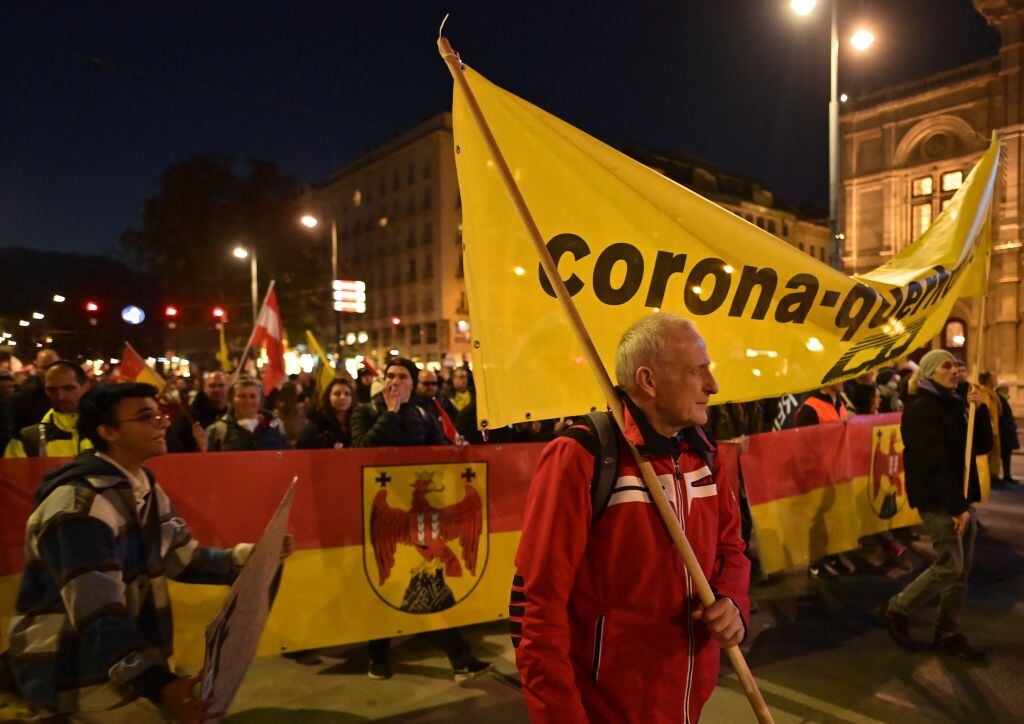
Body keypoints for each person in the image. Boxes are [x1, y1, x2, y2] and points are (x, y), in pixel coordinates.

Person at [511, 313, 749, 722]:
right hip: (604, 711)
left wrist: (732, 603)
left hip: (687, 703)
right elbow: (537, 607)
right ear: (648, 380)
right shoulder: (579, 456)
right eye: (698, 371)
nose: (712, 386)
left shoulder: (704, 452)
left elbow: (731, 550)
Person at [5, 382, 292, 721]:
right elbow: (99, 616)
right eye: (146, 417)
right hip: (75, 676)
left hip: (121, 666)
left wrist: (254, 557)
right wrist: (162, 685)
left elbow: (182, 559)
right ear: (107, 431)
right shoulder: (78, 508)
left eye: (159, 414)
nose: (162, 422)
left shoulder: (142, 484)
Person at [351, 358, 488, 681]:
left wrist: (456, 450)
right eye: (390, 376)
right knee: (386, 586)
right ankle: (378, 656)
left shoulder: (423, 414)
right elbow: (360, 450)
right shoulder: (367, 411)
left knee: (432, 587)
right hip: (380, 512)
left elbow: (438, 448)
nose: (395, 381)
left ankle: (460, 657)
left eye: (402, 377)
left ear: (412, 384)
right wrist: (390, 414)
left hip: (423, 519)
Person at [884, 349, 992, 659]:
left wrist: (980, 410)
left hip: (959, 498)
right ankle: (898, 608)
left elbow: (981, 446)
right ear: (930, 372)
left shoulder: (956, 404)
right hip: (938, 500)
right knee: (951, 565)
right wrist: (957, 507)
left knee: (961, 573)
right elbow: (934, 463)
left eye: (957, 365)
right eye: (947, 365)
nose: (955, 370)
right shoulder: (920, 410)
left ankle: (947, 632)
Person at [5, 360, 91, 458]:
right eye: (52, 389)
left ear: (86, 387)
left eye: (68, 388)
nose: (60, 396)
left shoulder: (106, 431)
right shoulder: (27, 438)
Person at [206, 376, 287, 452]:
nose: (248, 401)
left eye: (253, 396)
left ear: (261, 400)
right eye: (242, 396)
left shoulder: (276, 426)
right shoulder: (217, 430)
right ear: (232, 399)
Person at [165, 371, 230, 453]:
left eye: (221, 385)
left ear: (228, 387)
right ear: (204, 389)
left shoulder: (234, 413)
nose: (217, 389)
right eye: (212, 386)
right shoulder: (189, 416)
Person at [11, 348, 60, 432]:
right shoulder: (24, 396)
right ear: (36, 368)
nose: (50, 371)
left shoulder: (70, 391)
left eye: (54, 365)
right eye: (45, 367)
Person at [297, 377, 354, 449]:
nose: (342, 397)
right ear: (328, 396)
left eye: (347, 394)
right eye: (337, 394)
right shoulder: (316, 424)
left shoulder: (358, 422)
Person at [995, 384, 1019, 484]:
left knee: (1006, 456)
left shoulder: (1002, 399)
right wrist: (1009, 426)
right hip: (1004, 433)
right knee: (1004, 455)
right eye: (1006, 388)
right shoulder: (1000, 399)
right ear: (1002, 389)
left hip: (1006, 432)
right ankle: (1005, 476)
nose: (1008, 390)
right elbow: (1002, 416)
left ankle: (1007, 475)